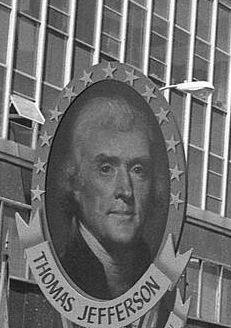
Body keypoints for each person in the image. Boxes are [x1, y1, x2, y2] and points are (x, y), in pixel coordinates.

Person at [54, 88, 165, 300]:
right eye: (106, 168)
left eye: (138, 170)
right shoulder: (63, 274)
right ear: (75, 181)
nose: (125, 190)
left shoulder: (155, 279)